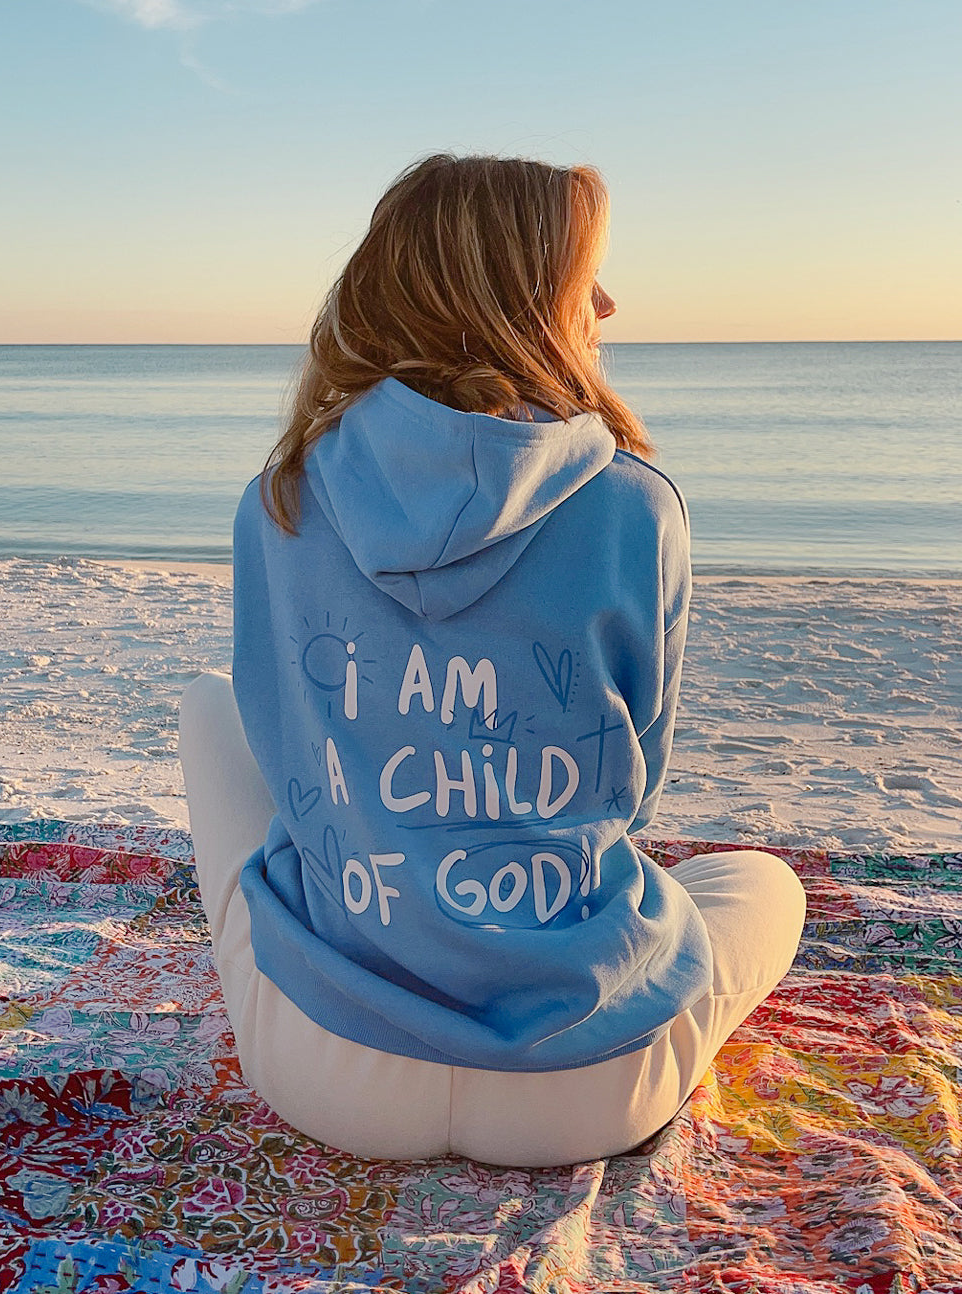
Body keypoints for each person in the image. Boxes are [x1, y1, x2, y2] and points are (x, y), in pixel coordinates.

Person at [179, 153, 806, 1167]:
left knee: (206, 709)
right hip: (582, 1081)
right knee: (762, 883)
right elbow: (630, 782)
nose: (607, 300)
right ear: (513, 298)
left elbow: (281, 733)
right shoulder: (634, 505)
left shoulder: (281, 498)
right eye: (581, 274)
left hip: (327, 1068)